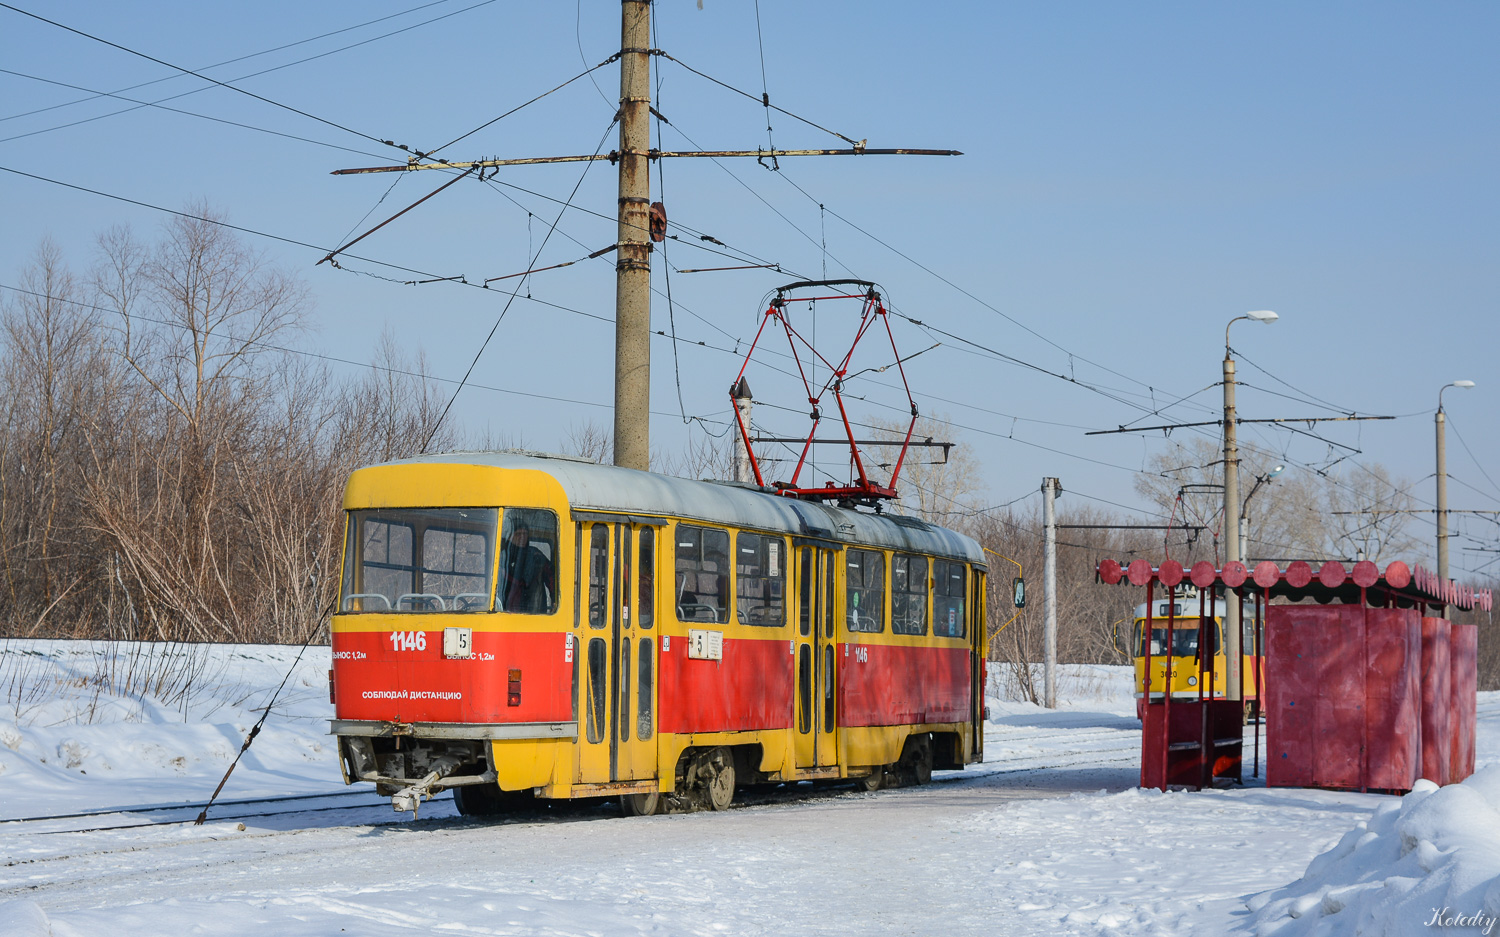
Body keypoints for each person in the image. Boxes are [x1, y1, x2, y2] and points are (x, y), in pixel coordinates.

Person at [501, 526, 553, 613]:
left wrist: (554, 599)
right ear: (510, 537)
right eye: (518, 534)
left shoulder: (536, 555)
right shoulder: (503, 557)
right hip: (506, 609)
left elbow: (551, 577)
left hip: (535, 609)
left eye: (525, 534)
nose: (522, 537)